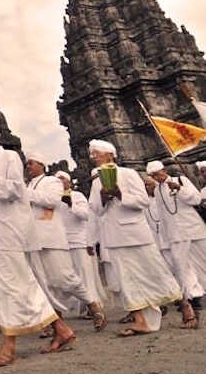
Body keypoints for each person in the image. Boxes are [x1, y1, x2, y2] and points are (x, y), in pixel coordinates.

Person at [0, 120, 75, 367]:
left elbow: (15, 191)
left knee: (12, 288)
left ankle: (9, 346)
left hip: (10, 234)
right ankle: (60, 329)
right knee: (17, 285)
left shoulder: (9, 157)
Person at [88, 140, 195, 336]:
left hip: (135, 232)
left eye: (97, 153)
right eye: (92, 154)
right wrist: (103, 198)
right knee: (126, 278)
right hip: (113, 235)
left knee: (155, 270)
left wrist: (120, 195)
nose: (93, 156)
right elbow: (95, 209)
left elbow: (143, 200)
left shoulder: (128, 174)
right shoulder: (96, 181)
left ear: (110, 155)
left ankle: (184, 305)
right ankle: (140, 320)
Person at [24, 151, 106, 331]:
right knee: (44, 282)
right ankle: (56, 323)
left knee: (65, 277)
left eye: (31, 163)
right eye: (27, 164)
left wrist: (25, 193)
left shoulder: (51, 182)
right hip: (33, 239)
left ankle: (93, 305)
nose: (28, 167)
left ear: (41, 165)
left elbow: (52, 201)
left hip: (52, 238)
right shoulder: (27, 185)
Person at [147, 160, 206, 310]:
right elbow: (162, 215)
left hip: (193, 228)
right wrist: (166, 237)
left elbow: (196, 199)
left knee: (202, 262)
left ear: (164, 170)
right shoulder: (157, 191)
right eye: (153, 175)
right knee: (181, 265)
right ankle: (193, 296)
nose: (156, 177)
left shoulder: (181, 180)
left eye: (157, 173)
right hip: (175, 234)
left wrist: (180, 189)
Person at [54, 171, 107, 319]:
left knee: (84, 275)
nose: (59, 181)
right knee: (68, 277)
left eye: (62, 179)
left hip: (79, 241)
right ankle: (75, 308)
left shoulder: (77, 196)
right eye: (56, 179)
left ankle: (93, 307)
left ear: (69, 182)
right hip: (62, 243)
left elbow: (86, 215)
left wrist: (71, 204)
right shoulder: (53, 198)